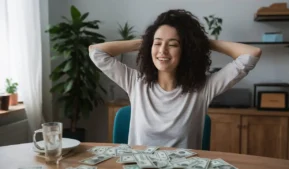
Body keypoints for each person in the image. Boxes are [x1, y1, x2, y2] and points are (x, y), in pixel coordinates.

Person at [88, 9, 262, 149]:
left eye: (172, 44)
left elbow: (252, 54)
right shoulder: (135, 82)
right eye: (157, 44)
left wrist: (200, 42)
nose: (162, 51)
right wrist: (148, 41)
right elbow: (96, 52)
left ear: (186, 50)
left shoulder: (203, 88)